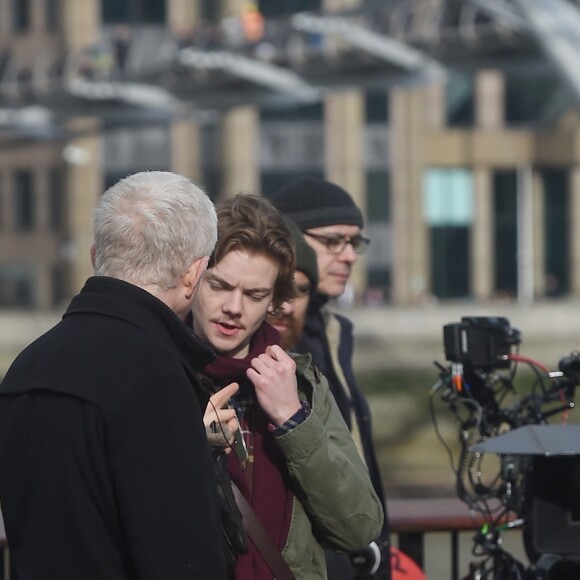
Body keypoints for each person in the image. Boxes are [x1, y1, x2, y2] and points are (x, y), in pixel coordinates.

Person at [0, 171, 227, 580]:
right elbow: (181, 555)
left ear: (94, 256)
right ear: (194, 273)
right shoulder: (154, 375)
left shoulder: (27, 365)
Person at [190, 193, 384, 579]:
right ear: (192, 279)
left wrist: (293, 420)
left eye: (254, 295)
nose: (234, 306)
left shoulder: (302, 383)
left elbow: (358, 526)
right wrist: (194, 443)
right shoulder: (159, 372)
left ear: (274, 302)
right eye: (220, 286)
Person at [271, 176, 393, 580]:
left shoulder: (334, 332)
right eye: (332, 241)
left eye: (354, 243)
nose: (349, 257)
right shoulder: (272, 343)